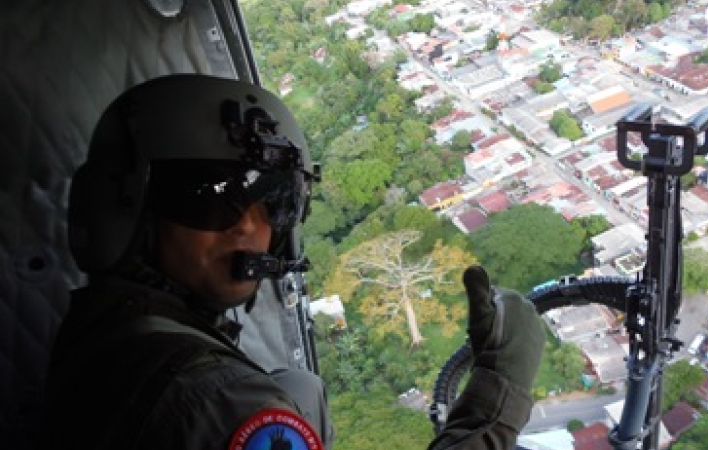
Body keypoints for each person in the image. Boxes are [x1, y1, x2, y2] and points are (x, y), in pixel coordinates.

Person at [39, 74, 546, 450]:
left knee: (299, 388)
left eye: (276, 201)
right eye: (211, 195)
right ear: (128, 207)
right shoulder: (219, 401)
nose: (249, 227)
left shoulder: (109, 325)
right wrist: (495, 403)